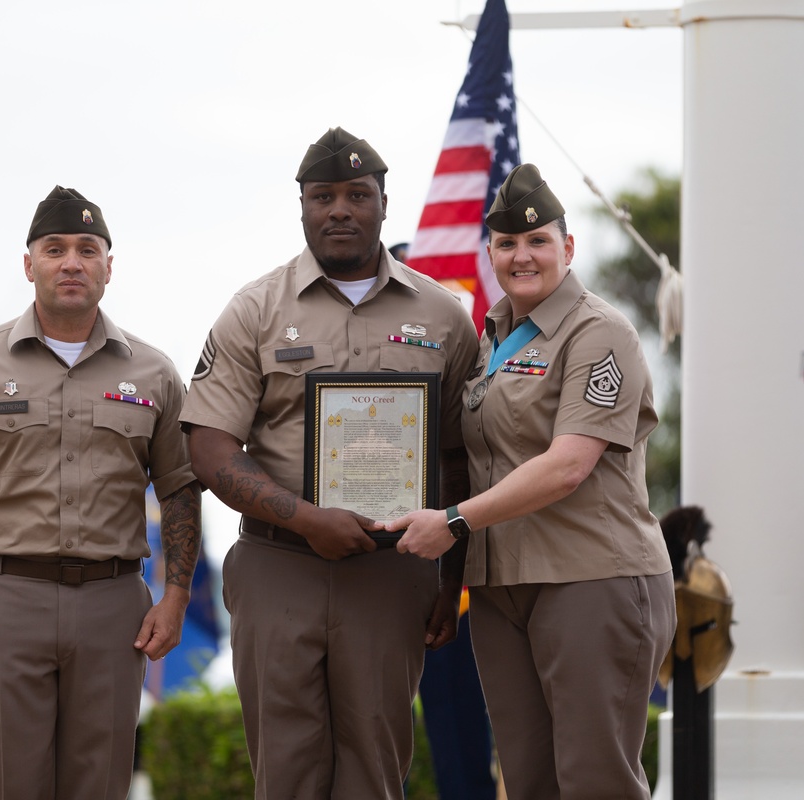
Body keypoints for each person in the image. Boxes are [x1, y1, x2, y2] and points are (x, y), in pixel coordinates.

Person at [179, 127, 479, 798]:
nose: (339, 209)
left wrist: (449, 580)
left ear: (382, 203)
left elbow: (461, 457)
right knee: (285, 769)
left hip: (391, 571)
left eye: (356, 195)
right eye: (323, 197)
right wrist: (306, 517)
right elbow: (209, 445)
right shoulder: (255, 310)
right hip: (279, 564)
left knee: (377, 764)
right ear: (304, 207)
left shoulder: (441, 315)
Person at [386, 163, 677, 800]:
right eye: (508, 243)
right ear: (489, 252)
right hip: (501, 587)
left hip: (590, 578)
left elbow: (569, 463)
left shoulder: (599, 332)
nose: (523, 256)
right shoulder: (488, 338)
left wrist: (455, 521)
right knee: (527, 782)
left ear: (567, 248)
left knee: (595, 780)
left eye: (538, 240)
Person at [0, 186, 202, 800]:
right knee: (12, 784)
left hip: (113, 606)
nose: (71, 262)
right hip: (4, 605)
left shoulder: (153, 373)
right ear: (29, 263)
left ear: (108, 267)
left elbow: (179, 491)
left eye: (87, 250)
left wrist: (176, 597)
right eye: (55, 248)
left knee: (102, 783)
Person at [389, 242, 497, 800]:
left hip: (453, 579)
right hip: (373, 566)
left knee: (462, 753)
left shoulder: (464, 351)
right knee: (375, 749)